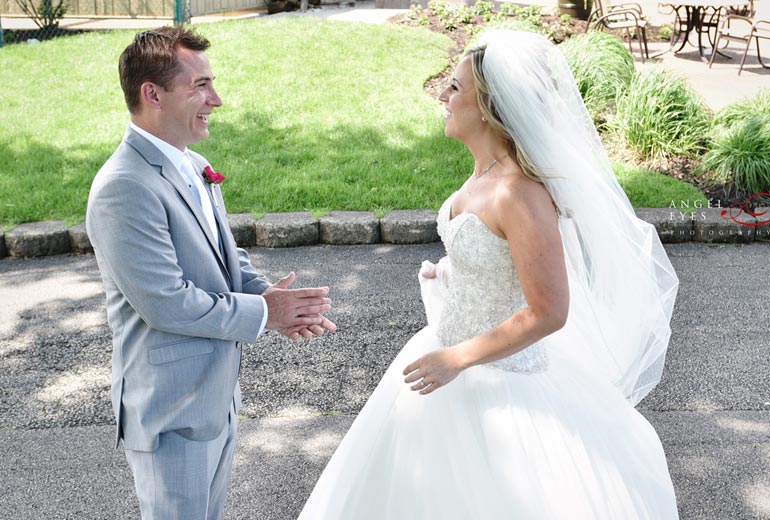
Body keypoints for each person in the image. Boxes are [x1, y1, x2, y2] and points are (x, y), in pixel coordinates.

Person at [298, 30, 679, 519]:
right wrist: (451, 273)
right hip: (445, 355)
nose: (442, 96)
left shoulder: (518, 193)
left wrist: (456, 358)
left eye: (454, 89)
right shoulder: (483, 174)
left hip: (498, 378)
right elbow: (497, 259)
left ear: (489, 108)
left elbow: (549, 311)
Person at [86, 26, 335, 519]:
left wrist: (271, 301)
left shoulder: (193, 162)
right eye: (199, 85)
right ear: (152, 94)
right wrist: (265, 312)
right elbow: (166, 301)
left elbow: (225, 258)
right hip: (170, 411)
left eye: (211, 83)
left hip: (214, 398)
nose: (215, 99)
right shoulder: (124, 186)